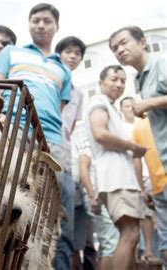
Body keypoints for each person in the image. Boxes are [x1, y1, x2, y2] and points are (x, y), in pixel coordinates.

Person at [0, 3, 73, 269]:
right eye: (35, 20)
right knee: (0, 195)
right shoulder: (11, 52)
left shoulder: (64, 70)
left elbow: (58, 108)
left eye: (46, 21)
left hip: (51, 140)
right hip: (12, 127)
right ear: (28, 24)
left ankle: (37, 264)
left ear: (56, 26)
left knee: (48, 206)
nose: (40, 25)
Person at [86, 65, 147, 270]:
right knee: (129, 233)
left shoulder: (110, 107)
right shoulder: (99, 102)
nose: (119, 84)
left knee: (131, 235)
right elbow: (100, 134)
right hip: (115, 178)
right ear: (101, 82)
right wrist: (133, 147)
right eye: (114, 79)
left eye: (123, 80)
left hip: (120, 178)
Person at [55, 36, 96, 269]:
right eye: (68, 51)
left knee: (66, 228)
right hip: (40, 154)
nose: (73, 56)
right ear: (58, 54)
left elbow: (68, 130)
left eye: (77, 54)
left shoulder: (78, 94)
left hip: (65, 161)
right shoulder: (49, 80)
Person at [109, 26, 167, 173]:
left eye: (124, 43)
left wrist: (148, 103)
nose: (120, 50)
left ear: (142, 43)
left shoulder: (161, 64)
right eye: (115, 48)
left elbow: (151, 103)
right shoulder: (138, 79)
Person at [120, 96, 162, 265]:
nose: (130, 108)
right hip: (135, 177)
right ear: (121, 109)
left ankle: (152, 251)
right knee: (142, 215)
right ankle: (144, 252)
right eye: (126, 106)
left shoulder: (147, 122)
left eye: (132, 105)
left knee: (156, 216)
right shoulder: (122, 128)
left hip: (154, 173)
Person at [77, 137, 120, 270]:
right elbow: (83, 170)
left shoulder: (100, 147)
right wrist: (92, 196)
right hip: (95, 197)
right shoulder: (87, 143)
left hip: (102, 197)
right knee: (111, 243)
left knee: (106, 244)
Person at [132, 116, 167, 266]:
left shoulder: (139, 127)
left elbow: (137, 160)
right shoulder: (163, 117)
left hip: (157, 185)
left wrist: (141, 188)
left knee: (165, 238)